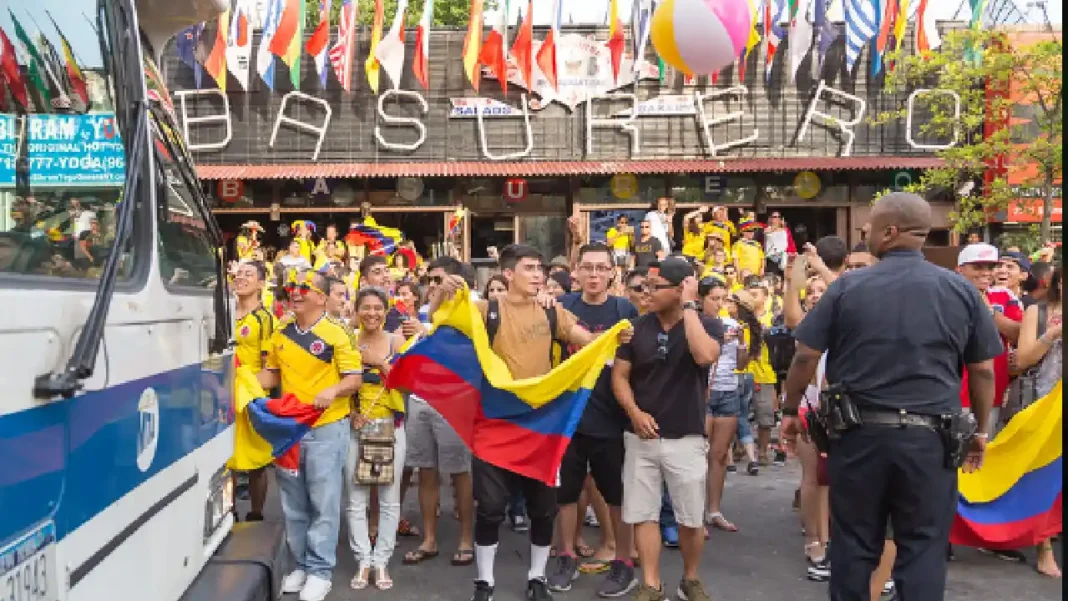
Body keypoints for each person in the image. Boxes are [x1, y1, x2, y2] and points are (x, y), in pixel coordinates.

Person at [779, 193, 1005, 601]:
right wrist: (981, 430)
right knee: (922, 549)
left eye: (868, 229)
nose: (865, 236)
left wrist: (791, 410)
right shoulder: (961, 290)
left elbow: (806, 355)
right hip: (931, 441)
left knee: (853, 546)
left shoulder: (848, 287)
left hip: (858, 438)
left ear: (890, 231)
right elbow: (984, 369)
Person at [428, 244, 610, 601]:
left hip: (540, 426)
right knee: (491, 508)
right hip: (494, 425)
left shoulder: (552, 312)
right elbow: (440, 321)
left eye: (540, 268)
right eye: (529, 268)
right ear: (508, 274)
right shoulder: (486, 310)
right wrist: (439, 294)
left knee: (543, 509)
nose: (538, 274)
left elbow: (586, 342)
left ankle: (537, 577)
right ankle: (484, 582)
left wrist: (614, 336)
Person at [612, 257, 724, 601]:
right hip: (641, 437)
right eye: (644, 286)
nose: (646, 293)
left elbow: (705, 356)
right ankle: (651, 582)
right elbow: (619, 376)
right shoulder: (634, 327)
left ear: (679, 289)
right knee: (642, 514)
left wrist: (689, 306)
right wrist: (634, 412)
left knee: (691, 519)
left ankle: (689, 579)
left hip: (686, 437)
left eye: (655, 287)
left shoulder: (708, 325)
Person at [256, 269, 363, 601]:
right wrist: (238, 383)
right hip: (290, 427)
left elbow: (354, 378)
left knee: (323, 501)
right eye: (291, 286)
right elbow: (271, 375)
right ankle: (301, 564)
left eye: (303, 287)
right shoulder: (281, 332)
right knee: (293, 502)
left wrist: (333, 390)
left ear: (321, 296)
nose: (295, 292)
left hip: (326, 427)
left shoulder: (337, 333)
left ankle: (320, 570)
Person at [546, 243, 640, 597]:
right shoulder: (561, 307)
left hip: (611, 420)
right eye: (588, 268)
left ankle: (624, 562)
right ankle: (566, 556)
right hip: (568, 419)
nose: (595, 275)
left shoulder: (624, 310)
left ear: (613, 272)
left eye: (602, 268)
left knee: (616, 494)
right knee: (566, 494)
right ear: (576, 271)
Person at [404, 257, 477, 569]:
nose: (432, 285)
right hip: (421, 399)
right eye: (429, 280)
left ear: (457, 280)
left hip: (454, 400)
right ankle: (430, 539)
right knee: (426, 472)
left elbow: (460, 342)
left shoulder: (474, 306)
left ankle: (465, 539)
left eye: (438, 279)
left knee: (460, 472)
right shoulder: (424, 310)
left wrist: (429, 325)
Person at [345, 287, 408, 591]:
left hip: (390, 428)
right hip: (356, 426)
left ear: (386, 311)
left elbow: (408, 380)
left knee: (388, 499)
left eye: (377, 308)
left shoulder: (397, 342)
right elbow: (338, 383)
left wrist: (379, 362)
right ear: (356, 311)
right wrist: (350, 414)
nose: (372, 313)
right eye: (365, 307)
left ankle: (381, 560)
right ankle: (363, 560)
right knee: (356, 499)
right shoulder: (346, 341)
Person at [1011, 264, 1062, 578]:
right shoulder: (1039, 312)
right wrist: (1053, 333)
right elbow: (1023, 359)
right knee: (1041, 477)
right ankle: (1044, 549)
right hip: (1042, 404)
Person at [700, 277, 751, 533]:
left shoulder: (731, 324)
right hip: (702, 393)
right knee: (697, 455)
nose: (720, 304)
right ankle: (694, 514)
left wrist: (741, 341)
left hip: (728, 390)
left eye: (723, 299)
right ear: (701, 299)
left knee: (719, 455)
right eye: (714, 298)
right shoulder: (696, 324)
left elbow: (742, 364)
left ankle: (714, 510)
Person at [232, 261, 275, 523]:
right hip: (226, 393)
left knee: (257, 459)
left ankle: (256, 513)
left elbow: (270, 365)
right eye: (239, 274)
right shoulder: (225, 313)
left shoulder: (264, 318)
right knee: (228, 455)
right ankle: (228, 508)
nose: (241, 278)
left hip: (253, 394)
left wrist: (250, 387)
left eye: (248, 274)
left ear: (261, 283)